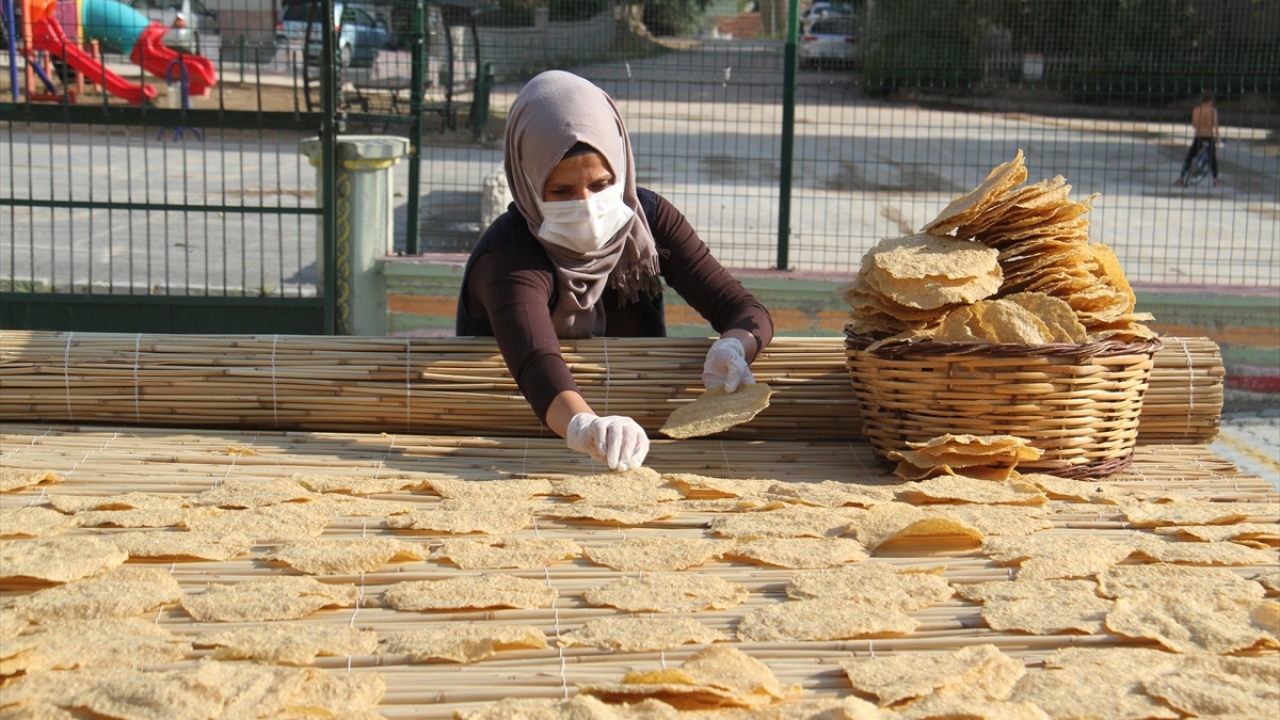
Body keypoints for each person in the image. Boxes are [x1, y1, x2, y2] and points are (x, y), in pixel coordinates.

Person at [456, 70, 774, 472]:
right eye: (561, 192)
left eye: (602, 184)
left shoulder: (650, 220)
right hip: (509, 443)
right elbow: (535, 359)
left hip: (634, 447)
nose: (587, 205)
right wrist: (586, 425)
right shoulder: (509, 256)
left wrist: (735, 347)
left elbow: (742, 308)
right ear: (529, 183)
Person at [1175, 92, 1220, 187]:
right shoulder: (1212, 111)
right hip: (1209, 136)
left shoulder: (1196, 110)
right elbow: (1215, 126)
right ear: (1210, 101)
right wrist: (1217, 138)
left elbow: (1194, 124)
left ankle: (1181, 178)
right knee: (1212, 159)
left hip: (1198, 136)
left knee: (1190, 157)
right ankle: (1215, 180)